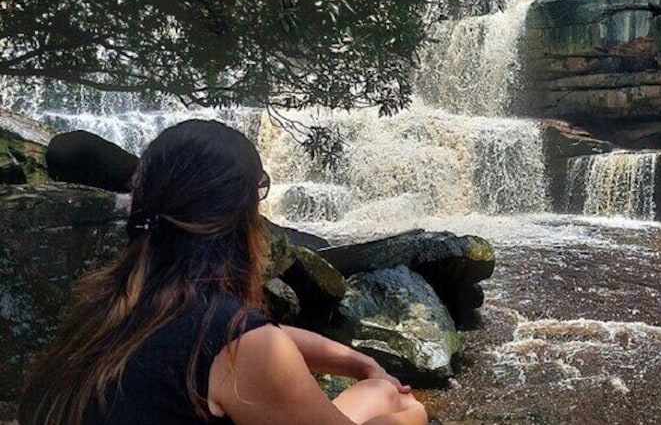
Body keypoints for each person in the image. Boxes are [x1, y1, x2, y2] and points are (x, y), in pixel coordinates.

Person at [19, 119, 428, 425]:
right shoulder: (235, 346)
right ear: (243, 214)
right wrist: (408, 417)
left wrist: (360, 365)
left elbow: (261, 338)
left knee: (378, 393)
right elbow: (252, 345)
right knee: (401, 406)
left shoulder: (110, 308)